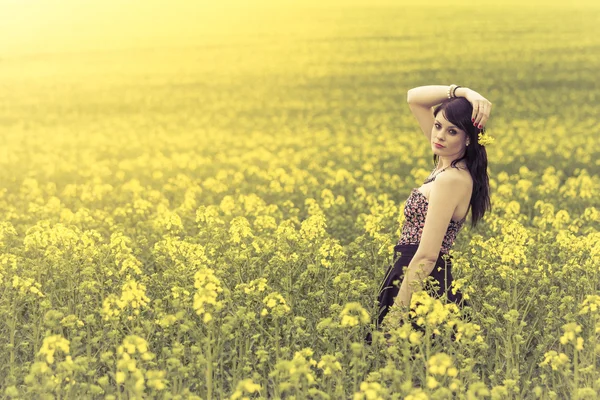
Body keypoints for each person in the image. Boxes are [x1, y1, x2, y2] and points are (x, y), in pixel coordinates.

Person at [365, 85, 493, 346]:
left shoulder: (452, 179)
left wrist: (397, 313)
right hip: (409, 274)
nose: (440, 136)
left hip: (422, 282)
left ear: (468, 138)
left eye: (452, 131)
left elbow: (427, 254)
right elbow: (414, 98)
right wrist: (465, 92)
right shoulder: (445, 162)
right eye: (437, 126)